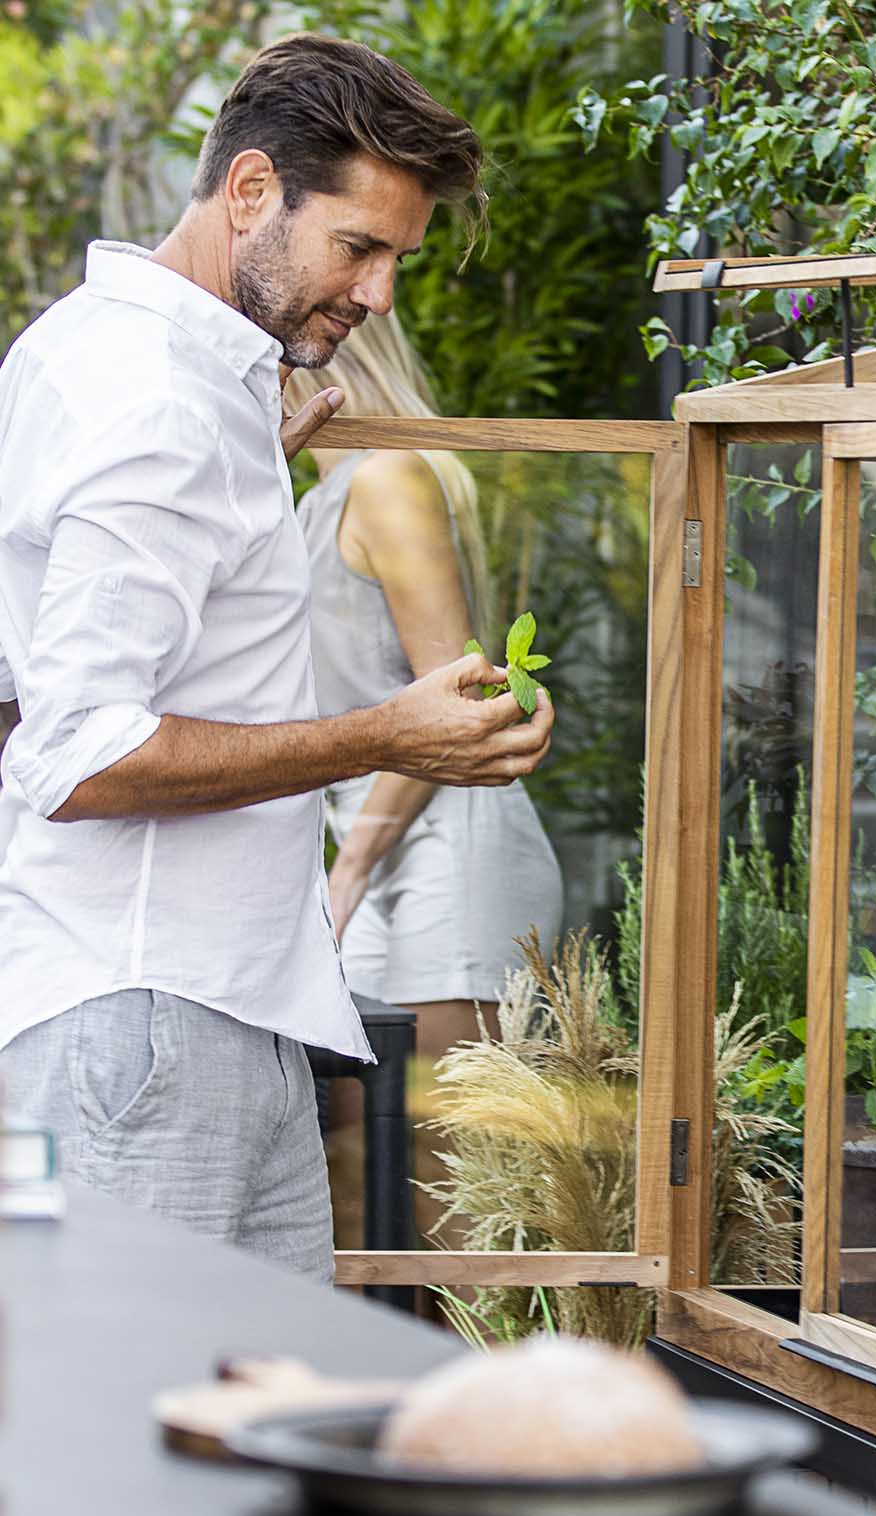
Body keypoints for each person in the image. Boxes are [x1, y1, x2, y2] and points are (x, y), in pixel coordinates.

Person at [0, 34, 552, 1282]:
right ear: (250, 193)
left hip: (197, 1007)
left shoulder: (112, 360)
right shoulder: (156, 401)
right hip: (148, 1024)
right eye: (358, 248)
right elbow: (77, 752)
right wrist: (383, 735)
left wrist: (258, 456)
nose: (378, 296)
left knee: (244, 1432)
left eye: (396, 259)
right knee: (141, 1449)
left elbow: (19, 692)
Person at [285, 314, 563, 1057]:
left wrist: (349, 869)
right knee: (357, 1141)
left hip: (446, 837)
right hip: (370, 838)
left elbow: (455, 703)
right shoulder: (313, 503)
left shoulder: (387, 477)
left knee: (426, 1150)